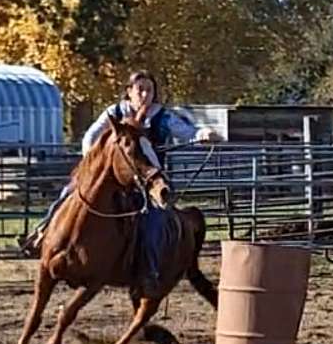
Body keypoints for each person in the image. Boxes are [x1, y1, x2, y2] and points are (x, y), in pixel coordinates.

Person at [17, 71, 218, 276]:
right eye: (140, 89)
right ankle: (41, 234)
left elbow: (187, 132)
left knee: (155, 220)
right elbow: (90, 136)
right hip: (111, 179)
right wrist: (92, 163)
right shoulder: (115, 112)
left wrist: (203, 135)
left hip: (147, 183)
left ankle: (151, 268)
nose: (145, 94)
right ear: (129, 92)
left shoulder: (162, 117)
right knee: (68, 195)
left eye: (149, 90)